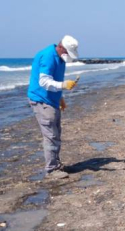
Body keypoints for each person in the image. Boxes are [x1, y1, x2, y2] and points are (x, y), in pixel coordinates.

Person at [28, 35, 79, 179]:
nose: (69, 56)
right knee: (50, 135)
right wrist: (63, 85)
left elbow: (55, 80)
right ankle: (51, 169)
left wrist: (60, 97)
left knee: (56, 133)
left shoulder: (60, 57)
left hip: (52, 100)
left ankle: (56, 164)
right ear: (61, 47)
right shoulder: (48, 56)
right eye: (68, 53)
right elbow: (44, 81)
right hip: (41, 100)